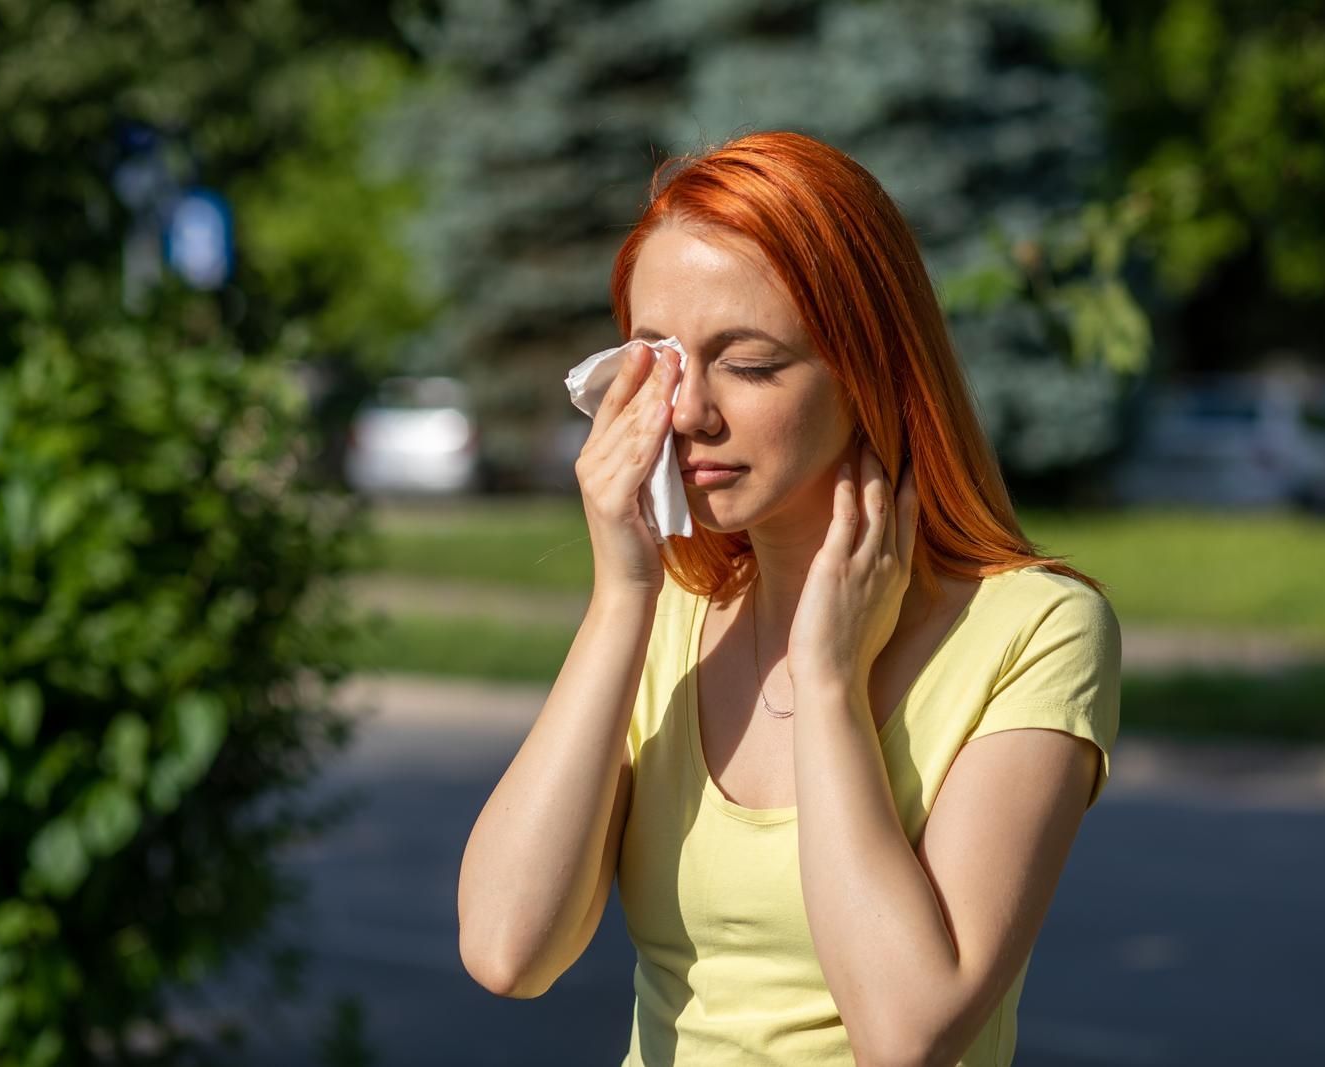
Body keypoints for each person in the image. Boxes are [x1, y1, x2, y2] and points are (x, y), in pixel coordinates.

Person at [457, 130, 1122, 1066]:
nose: (687, 413)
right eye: (661, 360)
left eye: (751, 362)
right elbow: (505, 948)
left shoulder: (1035, 630)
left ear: (869, 367)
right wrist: (622, 594)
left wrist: (829, 679)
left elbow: (907, 1033)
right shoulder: (670, 611)